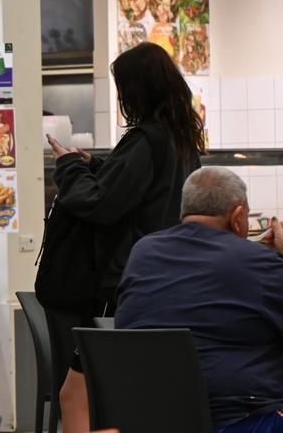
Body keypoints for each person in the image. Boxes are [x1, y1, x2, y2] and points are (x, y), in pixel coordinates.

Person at [40, 42, 205, 433]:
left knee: (81, 394)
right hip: (172, 282)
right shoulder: (182, 140)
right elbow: (139, 190)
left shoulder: (145, 139)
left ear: (137, 91)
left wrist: (67, 167)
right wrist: (97, 165)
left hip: (129, 287)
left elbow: (100, 203)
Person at [116, 166, 283, 433]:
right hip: (239, 421)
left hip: (149, 418)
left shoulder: (143, 252)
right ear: (238, 216)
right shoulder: (258, 263)